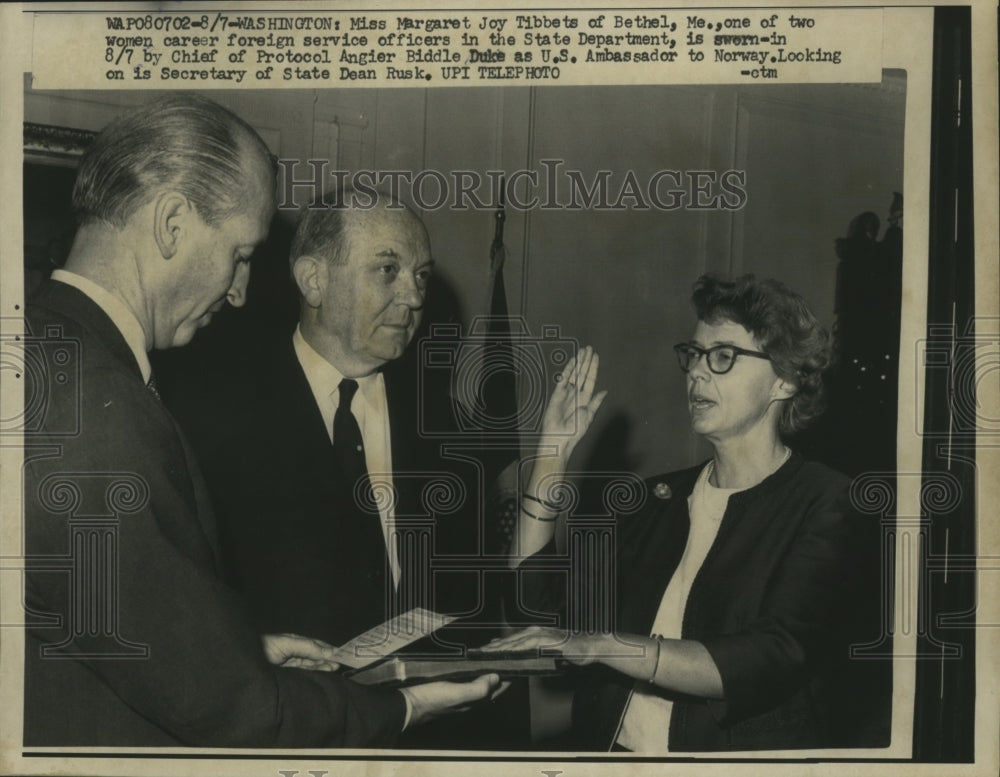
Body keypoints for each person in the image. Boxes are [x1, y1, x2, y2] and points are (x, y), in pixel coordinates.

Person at [22, 95, 497, 748]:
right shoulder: (99, 404)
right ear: (171, 223)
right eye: (241, 253)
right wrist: (409, 706)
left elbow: (74, 622)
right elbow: (239, 711)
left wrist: (237, 649)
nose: (242, 289)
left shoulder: (42, 350)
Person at [489, 274, 878, 751]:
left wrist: (604, 646)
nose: (696, 372)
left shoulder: (827, 501)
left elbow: (772, 654)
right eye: (694, 355)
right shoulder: (657, 499)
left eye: (722, 356)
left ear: (784, 379)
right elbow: (535, 605)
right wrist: (550, 458)